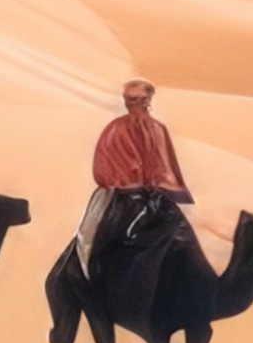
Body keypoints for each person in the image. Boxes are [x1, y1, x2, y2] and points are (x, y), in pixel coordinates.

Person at [79, 78, 190, 277]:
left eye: (140, 99)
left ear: (149, 100)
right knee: (93, 241)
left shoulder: (158, 129)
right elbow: (103, 168)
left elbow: (165, 166)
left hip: (157, 197)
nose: (135, 104)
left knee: (183, 240)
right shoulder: (115, 129)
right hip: (122, 198)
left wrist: (159, 190)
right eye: (130, 99)